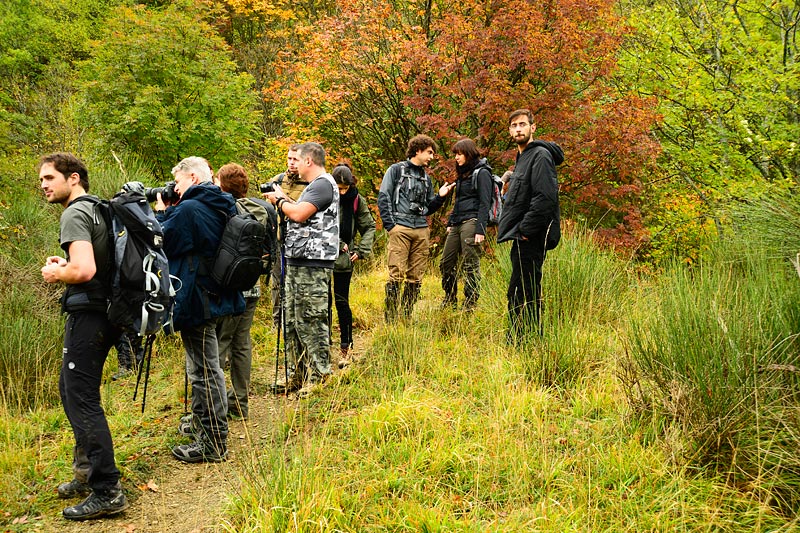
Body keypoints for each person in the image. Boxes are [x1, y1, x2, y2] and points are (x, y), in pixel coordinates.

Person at [39, 152, 129, 520]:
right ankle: (87, 472)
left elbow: (86, 269)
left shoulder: (75, 212)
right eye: (42, 179)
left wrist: (57, 273)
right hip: (108, 310)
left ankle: (106, 489)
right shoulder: (99, 208)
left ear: (73, 178)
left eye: (49, 178)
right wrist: (69, 267)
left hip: (90, 314)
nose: (43, 185)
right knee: (71, 389)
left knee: (81, 398)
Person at [155, 156, 245, 463]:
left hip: (197, 298)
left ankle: (213, 442)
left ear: (192, 178)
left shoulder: (191, 209)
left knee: (205, 371)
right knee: (206, 367)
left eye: (178, 182)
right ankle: (202, 428)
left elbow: (163, 244)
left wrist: (161, 212)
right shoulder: (222, 203)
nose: (175, 189)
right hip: (218, 295)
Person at [265, 142, 339, 397]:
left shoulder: (322, 184)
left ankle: (320, 376)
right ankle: (297, 373)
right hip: (296, 258)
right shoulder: (312, 186)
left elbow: (298, 214)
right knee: (293, 320)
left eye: (299, 159)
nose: (294, 163)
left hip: (313, 262)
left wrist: (279, 200)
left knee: (311, 319)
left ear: (309, 161)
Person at [213, 163, 276, 419]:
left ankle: (214, 404)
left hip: (229, 288)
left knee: (220, 343)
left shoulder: (223, 209)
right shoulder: (261, 208)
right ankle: (240, 403)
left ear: (222, 184)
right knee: (242, 344)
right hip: (252, 286)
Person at [497, 109, 564, 341]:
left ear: (532, 128)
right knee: (522, 287)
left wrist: (526, 230)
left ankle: (523, 339)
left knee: (523, 289)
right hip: (521, 235)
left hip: (531, 236)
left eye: (523, 124)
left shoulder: (540, 156)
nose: (518, 129)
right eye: (514, 125)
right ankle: (525, 337)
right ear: (509, 130)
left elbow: (545, 198)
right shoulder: (522, 157)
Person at [377, 134, 453, 321]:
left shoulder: (426, 178)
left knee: (416, 276)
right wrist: (390, 226)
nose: (432, 157)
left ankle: (406, 316)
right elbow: (384, 196)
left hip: (421, 229)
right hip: (400, 228)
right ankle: (391, 318)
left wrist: (441, 197)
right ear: (417, 150)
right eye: (429, 152)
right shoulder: (396, 170)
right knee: (396, 273)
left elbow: (428, 208)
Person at [438, 139, 494, 311]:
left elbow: (485, 202)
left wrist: (481, 229)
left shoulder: (482, 173)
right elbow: (458, 201)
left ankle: (470, 303)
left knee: (470, 264)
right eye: (455, 154)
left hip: (472, 221)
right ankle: (449, 298)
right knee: (446, 262)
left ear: (468, 153)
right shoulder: (462, 174)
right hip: (457, 222)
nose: (456, 157)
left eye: (459, 154)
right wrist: (450, 222)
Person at [331, 163, 376, 367]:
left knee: (342, 302)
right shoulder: (323, 196)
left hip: (344, 260)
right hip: (321, 256)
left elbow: (369, 226)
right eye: (338, 188)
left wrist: (360, 250)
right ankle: (321, 348)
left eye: (345, 188)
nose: (341, 192)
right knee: (322, 304)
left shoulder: (357, 200)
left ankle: (346, 348)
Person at [269, 145, 305, 330]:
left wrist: (282, 199)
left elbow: (303, 210)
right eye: (289, 158)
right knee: (277, 282)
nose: (291, 162)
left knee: (295, 283)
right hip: (278, 238)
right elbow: (268, 209)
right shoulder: (277, 180)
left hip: (299, 241)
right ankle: (277, 322)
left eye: (295, 159)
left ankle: (294, 321)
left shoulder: (309, 182)